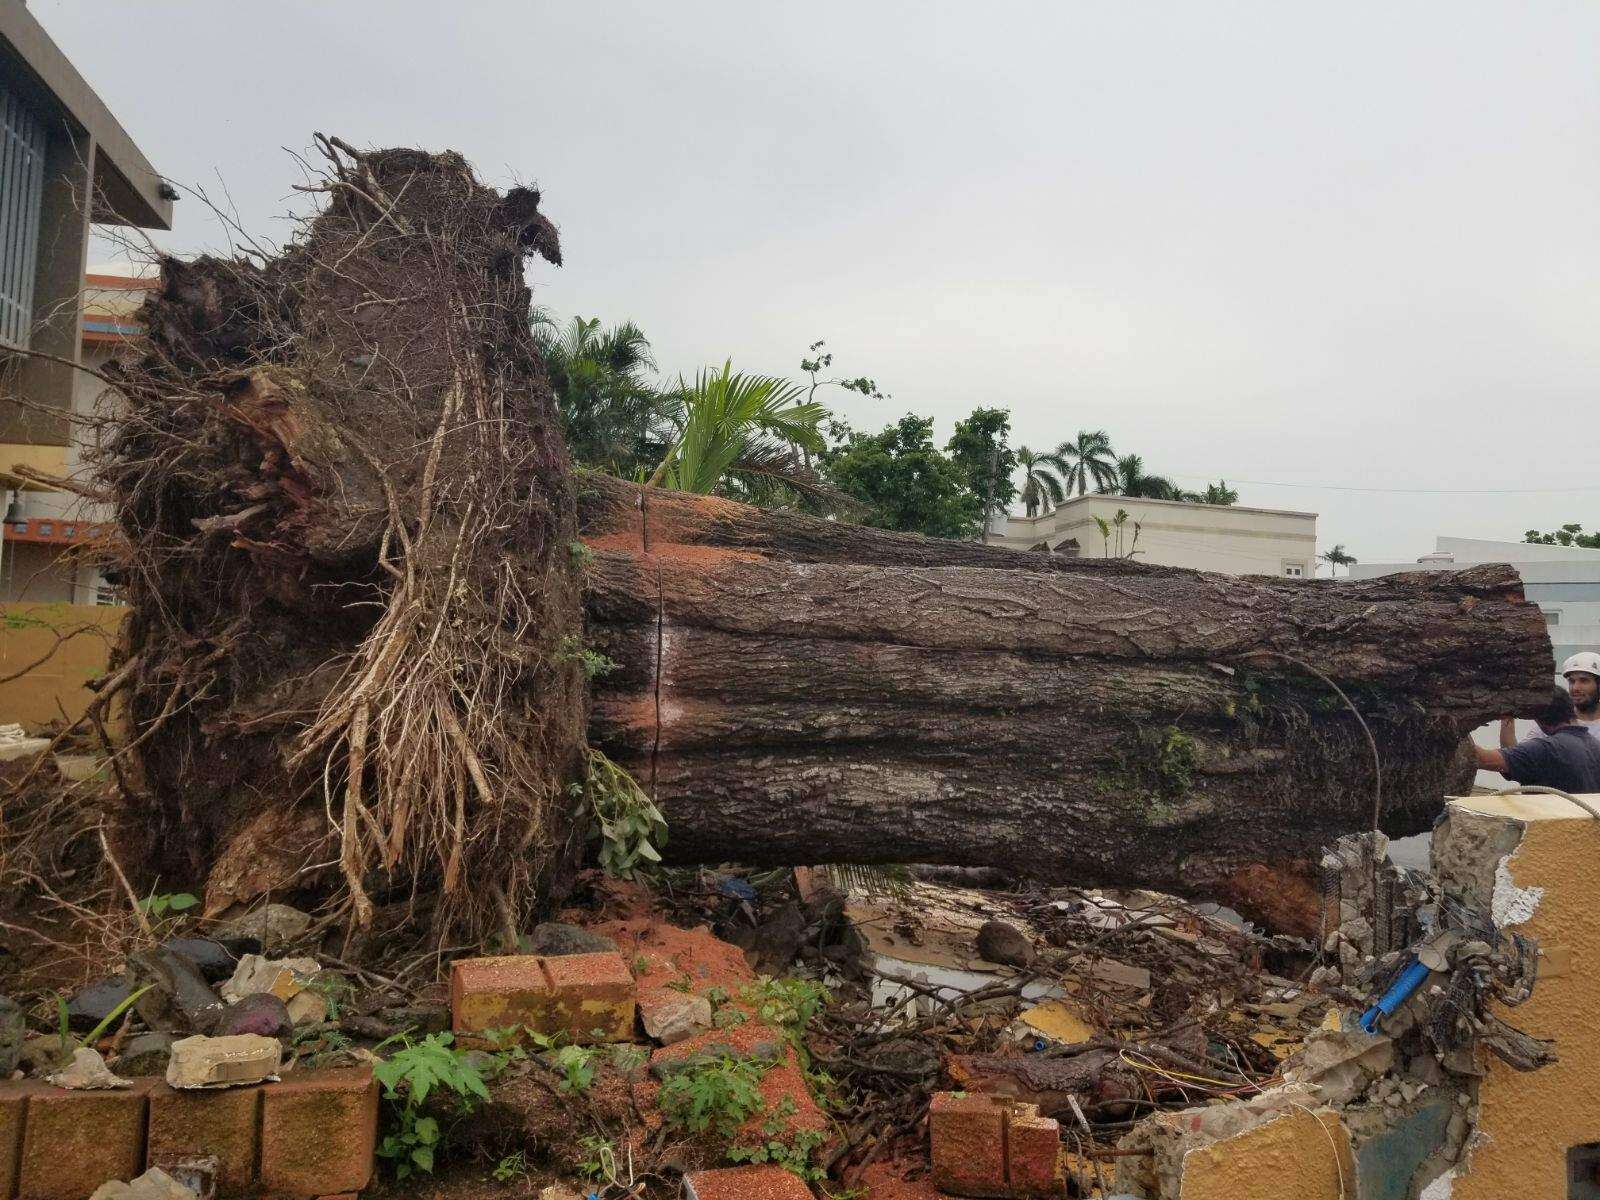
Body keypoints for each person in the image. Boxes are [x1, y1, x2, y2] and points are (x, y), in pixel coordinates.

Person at [1475, 687, 1600, 793]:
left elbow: (1481, 759)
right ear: (1571, 709)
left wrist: (1458, 723)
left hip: (1549, 820)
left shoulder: (1545, 749)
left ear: (1538, 719)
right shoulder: (1595, 745)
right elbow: (1516, 755)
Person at [1499, 651, 1600, 748]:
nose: (1575, 688)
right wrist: (1507, 716)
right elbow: (1517, 757)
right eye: (1572, 681)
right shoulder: (1554, 722)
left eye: (1584, 681)